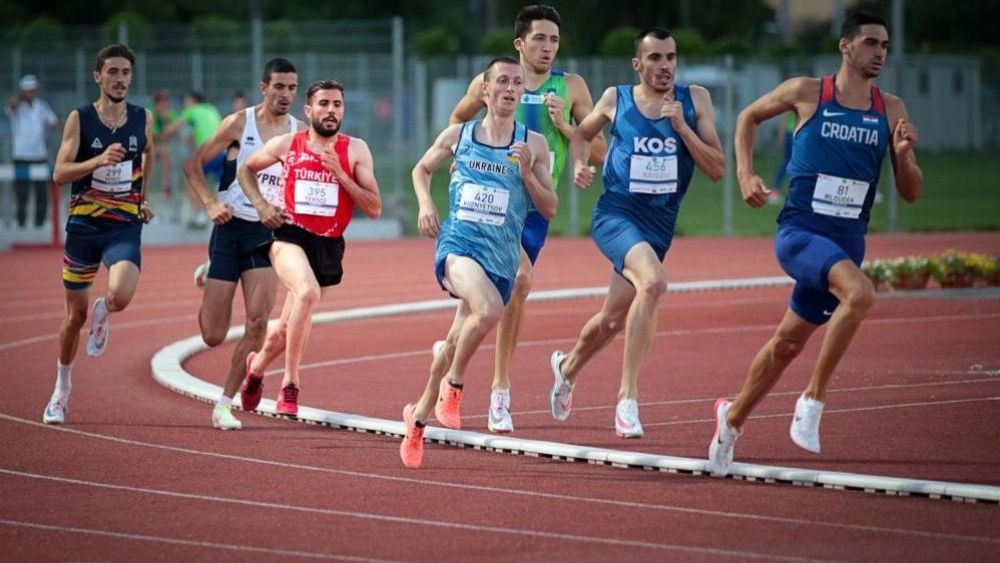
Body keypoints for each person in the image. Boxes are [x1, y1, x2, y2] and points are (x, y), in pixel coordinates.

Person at [708, 12, 922, 476]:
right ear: (846, 47)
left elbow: (910, 191)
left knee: (787, 343)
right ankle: (813, 400)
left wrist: (903, 158)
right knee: (861, 294)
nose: (880, 52)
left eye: (884, 44)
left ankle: (731, 419)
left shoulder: (892, 109)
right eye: (870, 43)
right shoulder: (807, 92)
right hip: (801, 234)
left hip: (848, 240)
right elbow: (748, 117)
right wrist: (745, 173)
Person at [552, 28, 725, 438]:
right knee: (653, 283)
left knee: (612, 319)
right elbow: (581, 135)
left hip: (659, 224)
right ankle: (627, 400)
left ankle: (566, 368)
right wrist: (578, 165)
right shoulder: (617, 98)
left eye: (671, 58)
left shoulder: (695, 100)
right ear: (638, 64)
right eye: (655, 58)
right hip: (617, 213)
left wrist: (684, 129)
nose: (664, 66)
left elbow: (717, 169)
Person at [445, 4, 605, 433]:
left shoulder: (570, 87)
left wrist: (567, 130)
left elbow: (600, 147)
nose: (548, 47)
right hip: (492, 207)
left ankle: (446, 365)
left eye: (554, 39)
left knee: (479, 306)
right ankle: (500, 390)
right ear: (519, 43)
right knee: (520, 282)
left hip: (534, 212)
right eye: (539, 38)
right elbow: (457, 120)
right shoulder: (492, 82)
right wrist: (460, 158)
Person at [400, 56, 557, 469]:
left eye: (517, 83)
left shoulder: (534, 144)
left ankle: (417, 415)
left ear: (523, 92)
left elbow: (550, 207)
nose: (509, 88)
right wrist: (425, 203)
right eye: (501, 81)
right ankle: (454, 386)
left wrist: (526, 175)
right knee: (490, 309)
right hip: (459, 245)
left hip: (501, 257)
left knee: (455, 339)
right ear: (484, 90)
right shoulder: (459, 134)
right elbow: (421, 168)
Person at [237, 79, 382, 419]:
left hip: (328, 244)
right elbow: (246, 169)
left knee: (286, 331)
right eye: (324, 104)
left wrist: (341, 175)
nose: (331, 111)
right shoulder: (288, 143)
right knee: (306, 293)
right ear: (309, 110)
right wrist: (261, 206)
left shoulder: (355, 150)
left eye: (337, 105)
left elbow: (375, 208)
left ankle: (256, 368)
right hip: (288, 235)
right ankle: (290, 383)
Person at [182, 58, 301, 430]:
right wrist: (210, 203)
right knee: (213, 335)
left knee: (257, 324)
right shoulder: (240, 123)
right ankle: (209, 271)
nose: (285, 95)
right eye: (279, 87)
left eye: (292, 88)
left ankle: (223, 404)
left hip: (267, 236)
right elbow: (192, 165)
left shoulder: (300, 133)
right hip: (230, 229)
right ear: (263, 87)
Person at [42, 43, 155, 425]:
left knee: (121, 294)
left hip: (123, 224)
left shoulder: (143, 117)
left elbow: (148, 152)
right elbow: (59, 174)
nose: (120, 79)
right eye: (113, 72)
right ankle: (62, 388)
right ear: (98, 76)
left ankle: (104, 311)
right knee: (73, 317)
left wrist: (144, 197)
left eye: (125, 73)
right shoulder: (80, 118)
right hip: (84, 227)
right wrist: (97, 160)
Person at [161, 92, 223, 227]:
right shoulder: (211, 109)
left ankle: (201, 217)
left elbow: (171, 129)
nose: (185, 104)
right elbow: (203, 132)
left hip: (208, 151)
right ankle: (224, 214)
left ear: (192, 101)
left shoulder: (191, 110)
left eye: (186, 101)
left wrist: (163, 127)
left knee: (191, 180)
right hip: (223, 150)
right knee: (221, 184)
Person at [6, 74, 59, 228]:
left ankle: (39, 223)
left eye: (33, 90)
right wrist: (21, 97)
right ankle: (21, 222)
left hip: (39, 155)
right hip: (21, 155)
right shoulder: (16, 107)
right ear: (22, 91)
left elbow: (54, 122)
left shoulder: (41, 106)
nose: (31, 93)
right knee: (22, 192)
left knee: (41, 192)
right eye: (27, 90)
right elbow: (11, 105)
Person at [150, 90, 177, 201]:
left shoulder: (171, 114)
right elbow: (155, 136)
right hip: (151, 146)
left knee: (164, 150)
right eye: (160, 102)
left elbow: (174, 132)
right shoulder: (151, 114)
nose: (163, 105)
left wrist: (166, 120)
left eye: (165, 102)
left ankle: (166, 185)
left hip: (166, 147)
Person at [769, 111, 796, 205]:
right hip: (792, 134)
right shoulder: (795, 98)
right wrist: (781, 135)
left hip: (796, 133)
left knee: (789, 163)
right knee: (787, 162)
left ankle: (779, 190)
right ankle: (776, 191)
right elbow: (784, 117)